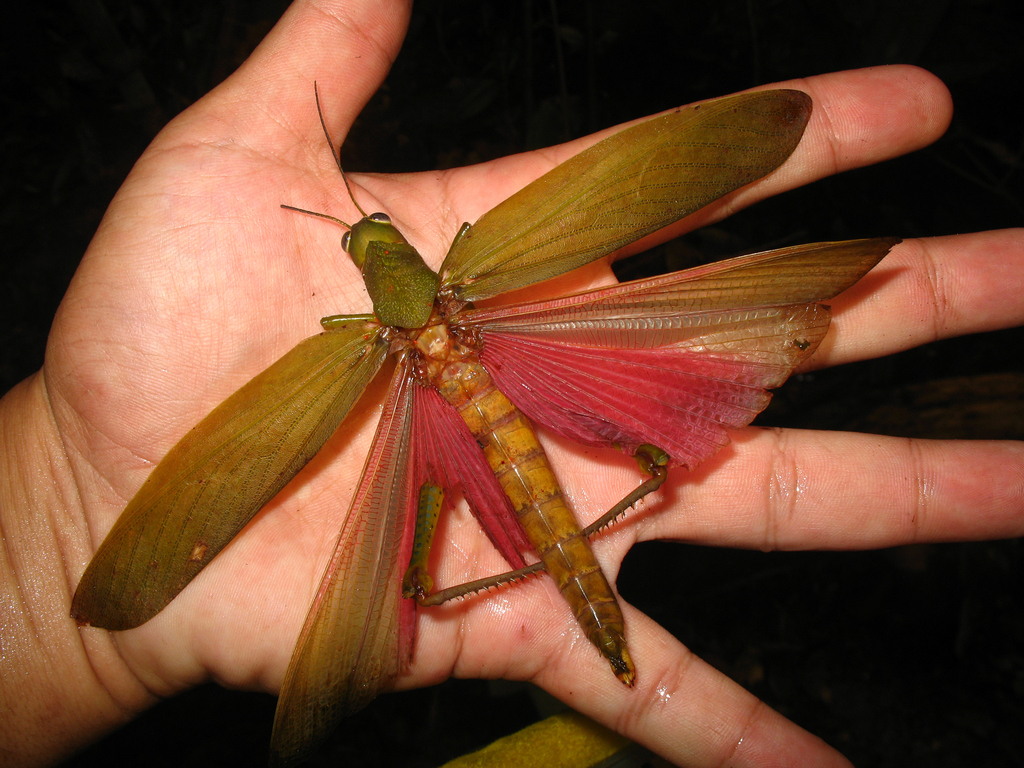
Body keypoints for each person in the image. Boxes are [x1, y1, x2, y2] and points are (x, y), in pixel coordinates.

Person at [1, 1, 1022, 766]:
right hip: (481, 342)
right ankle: (604, 537)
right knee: (448, 561)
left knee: (435, 568)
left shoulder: (348, 338)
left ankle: (582, 552)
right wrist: (59, 519)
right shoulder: (441, 283)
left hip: (426, 381)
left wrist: (51, 526)